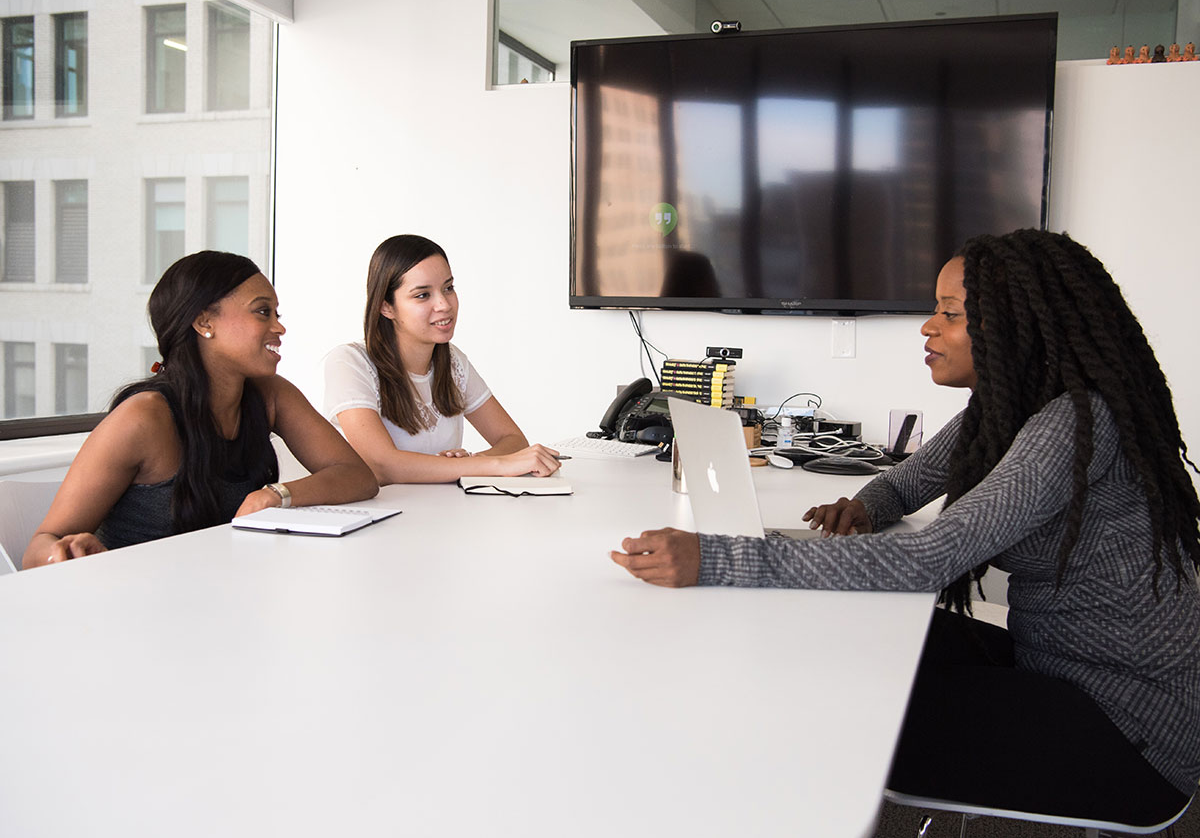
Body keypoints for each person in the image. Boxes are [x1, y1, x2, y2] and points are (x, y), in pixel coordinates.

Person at [611, 229, 1200, 825]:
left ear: (1019, 323)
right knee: (846, 639)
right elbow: (903, 483)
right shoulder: (999, 417)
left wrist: (716, 559)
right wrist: (866, 506)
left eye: (949, 313)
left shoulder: (1074, 422)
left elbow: (930, 559)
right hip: (1054, 664)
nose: (927, 327)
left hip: (1129, 728)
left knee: (827, 706)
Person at [24, 251, 379, 567]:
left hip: (220, 595)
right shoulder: (143, 418)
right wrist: (65, 553)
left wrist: (275, 495)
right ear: (204, 322)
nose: (279, 326)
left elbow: (357, 476)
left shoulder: (270, 395)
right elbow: (39, 549)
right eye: (262, 312)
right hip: (137, 609)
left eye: (276, 313)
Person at [324, 234, 561, 484]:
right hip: (382, 518)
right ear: (386, 307)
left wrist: (466, 463)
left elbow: (513, 440)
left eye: (448, 288)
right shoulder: (350, 362)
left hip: (442, 514)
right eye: (423, 295)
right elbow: (383, 466)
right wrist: (483, 465)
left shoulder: (453, 361)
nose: (444, 304)